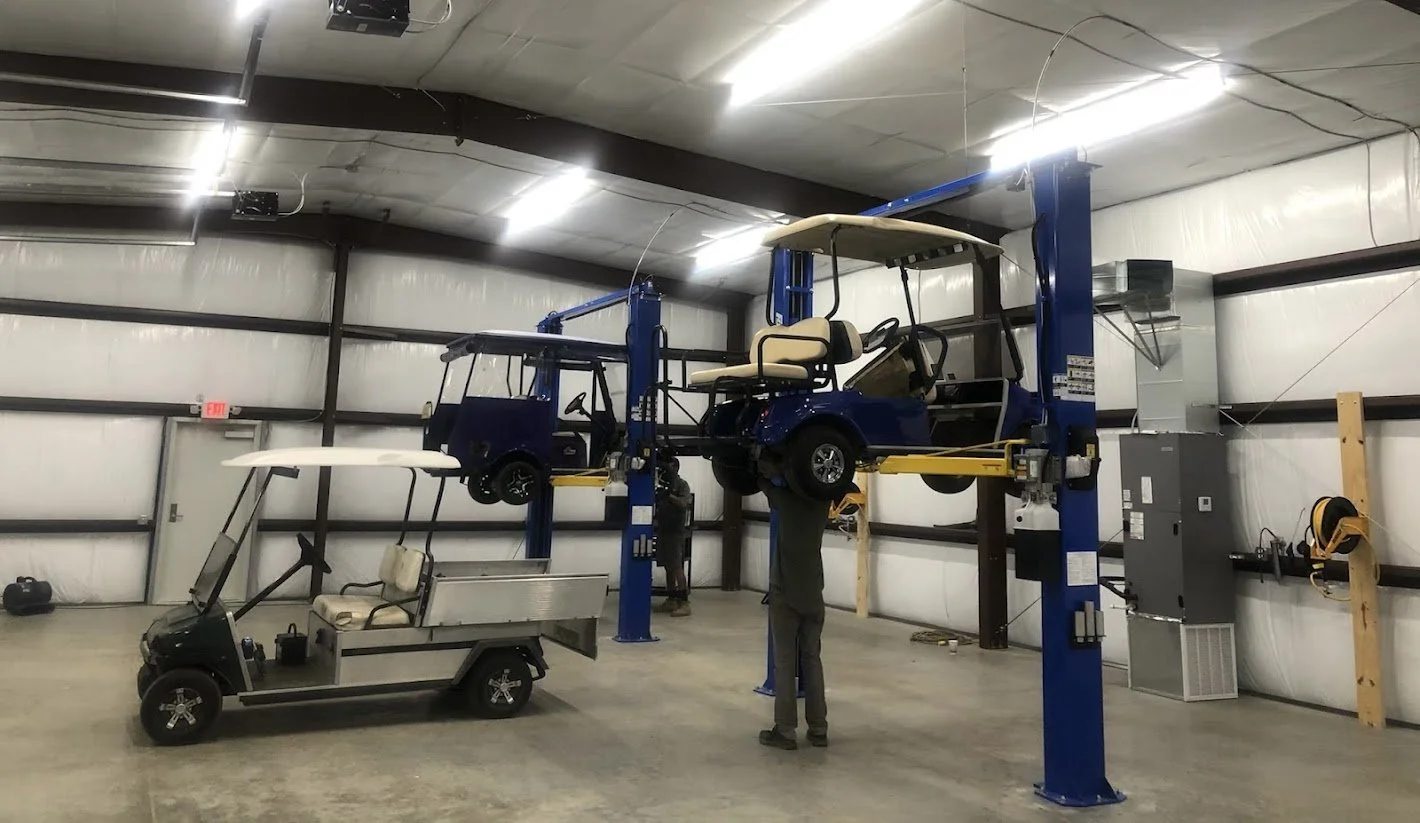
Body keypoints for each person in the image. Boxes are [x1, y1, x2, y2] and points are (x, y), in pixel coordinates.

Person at [758, 480, 831, 751]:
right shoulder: (821, 505)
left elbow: (764, 482)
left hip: (786, 595)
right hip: (813, 595)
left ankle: (786, 730)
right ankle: (819, 728)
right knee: (813, 661)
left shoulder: (785, 502)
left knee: (785, 662)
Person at [654, 456, 693, 617]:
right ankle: (671, 599)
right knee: (667, 566)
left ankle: (684, 603)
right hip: (663, 529)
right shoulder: (661, 483)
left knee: (677, 567)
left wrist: (669, 496)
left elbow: (684, 503)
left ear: (676, 467)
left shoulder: (682, 484)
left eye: (669, 467)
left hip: (675, 531)